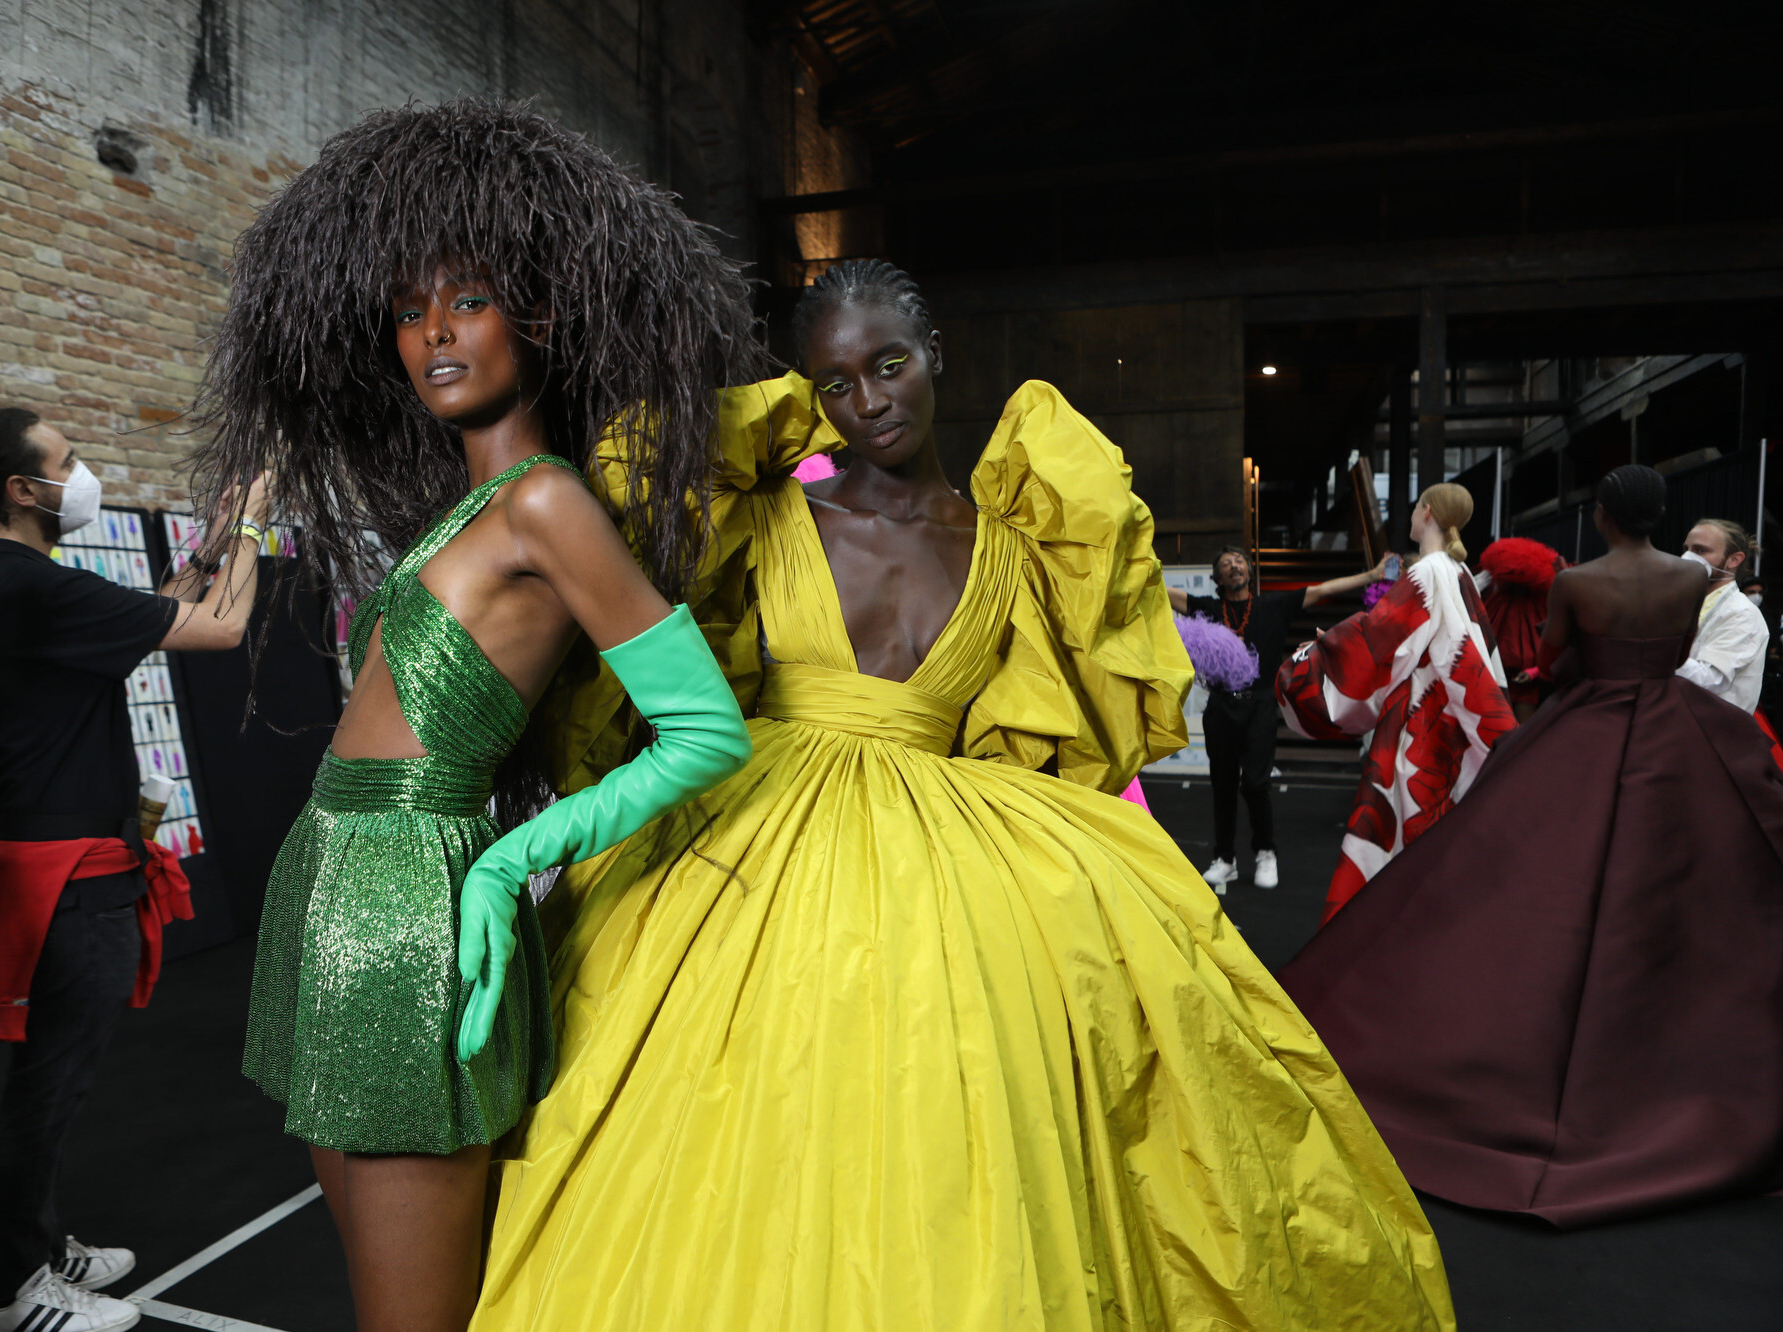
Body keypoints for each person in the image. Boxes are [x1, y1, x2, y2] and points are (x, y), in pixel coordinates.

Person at [471, 261, 1455, 1331]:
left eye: (886, 365)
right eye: (835, 383)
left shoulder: (1021, 552)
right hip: (748, 843)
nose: (867, 401)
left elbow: (1037, 730)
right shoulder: (757, 520)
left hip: (951, 862)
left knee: (967, 1125)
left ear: (932, 352)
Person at [197, 101, 759, 1332]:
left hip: (411, 906)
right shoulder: (464, 512)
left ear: (535, 321)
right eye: (410, 311)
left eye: (466, 301)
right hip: (329, 881)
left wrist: (513, 857)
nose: (434, 332)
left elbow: (709, 732)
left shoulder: (547, 503)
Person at [1278, 464, 1783, 1229]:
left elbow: (1558, 660)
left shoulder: (1577, 583)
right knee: (1694, 884)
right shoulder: (1689, 583)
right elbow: (1675, 649)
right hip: (1674, 730)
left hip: (1590, 727)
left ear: (1605, 517)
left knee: (1523, 878)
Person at [0, 407, 274, 1332]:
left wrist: (212, 543)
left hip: (37, 861)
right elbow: (217, 628)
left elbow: (164, 608)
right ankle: (5, 1293)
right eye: (69, 462)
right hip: (64, 876)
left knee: (52, 1079)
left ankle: (37, 1242)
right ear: (22, 490)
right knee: (50, 1086)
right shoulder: (29, 588)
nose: (82, 476)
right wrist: (255, 524)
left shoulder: (6, 580)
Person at [1277, 484, 1517, 922]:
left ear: (1426, 512)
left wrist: (1328, 647)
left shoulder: (1426, 574)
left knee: (1402, 847)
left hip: (1418, 718)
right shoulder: (1461, 573)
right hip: (1448, 716)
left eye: (1414, 507)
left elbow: (1381, 640)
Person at [1168, 546, 1398, 889]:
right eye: (1226, 564)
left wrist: (1371, 576)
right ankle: (1225, 859)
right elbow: (1164, 592)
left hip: (1260, 706)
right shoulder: (1208, 608)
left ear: (1250, 571)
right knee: (1223, 785)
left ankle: (1265, 853)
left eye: (1240, 561)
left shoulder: (1271, 606)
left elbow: (1322, 591)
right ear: (1217, 578)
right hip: (1220, 708)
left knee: (1257, 784)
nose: (1234, 566)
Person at [1676, 518, 1767, 712]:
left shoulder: (1741, 613)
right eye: (1687, 549)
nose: (1687, 557)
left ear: (1734, 559)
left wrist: (1653, 649)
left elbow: (1709, 680)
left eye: (1701, 551)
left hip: (1711, 733)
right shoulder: (1685, 602)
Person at [1477, 535, 1566, 722]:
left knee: (1515, 730)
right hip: (1501, 680)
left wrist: (1534, 672)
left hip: (1522, 681)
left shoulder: (1534, 605)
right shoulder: (1498, 602)